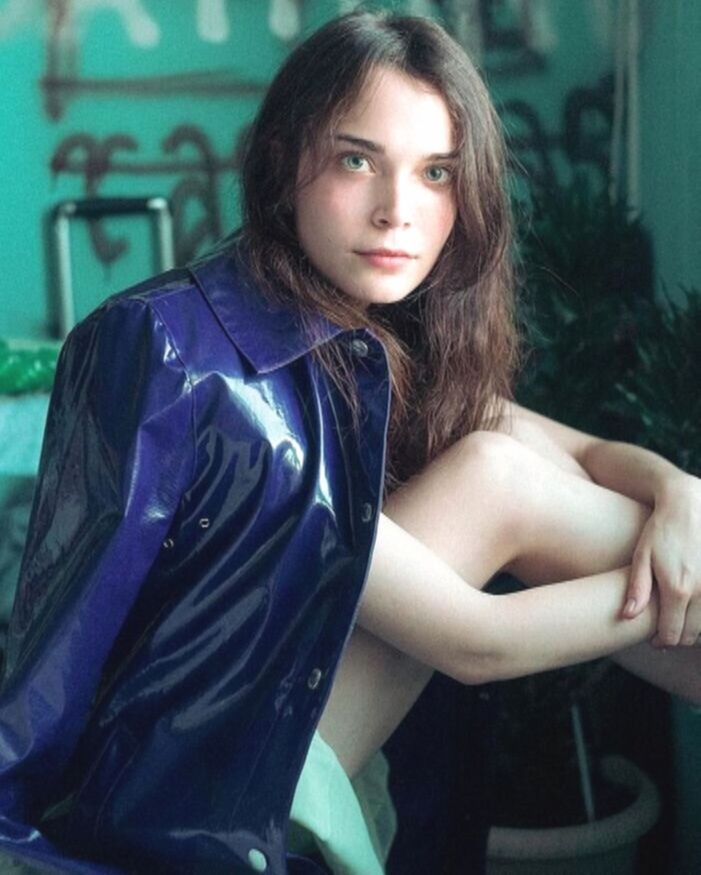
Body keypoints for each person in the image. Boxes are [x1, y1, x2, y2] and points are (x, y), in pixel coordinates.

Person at [0, 10, 700, 875]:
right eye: (357, 160)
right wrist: (670, 588)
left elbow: (584, 453)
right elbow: (476, 641)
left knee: (505, 455)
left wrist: (677, 495)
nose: (397, 211)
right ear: (282, 164)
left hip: (293, 747)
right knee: (497, 474)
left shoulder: (375, 348)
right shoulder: (188, 359)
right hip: (196, 799)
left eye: (436, 172)